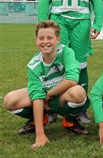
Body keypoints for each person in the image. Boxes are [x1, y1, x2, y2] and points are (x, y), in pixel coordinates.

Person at [38, 0, 103, 124]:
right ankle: (51, 106)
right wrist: (43, 23)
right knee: (55, 62)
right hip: (58, 21)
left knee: (80, 64)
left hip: (81, 22)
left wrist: (98, 22)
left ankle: (80, 108)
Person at [3, 21, 89, 149]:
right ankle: (42, 119)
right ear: (36, 40)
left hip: (61, 97)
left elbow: (72, 79)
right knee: (9, 101)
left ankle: (69, 121)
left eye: (50, 38)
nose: (45, 41)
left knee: (79, 92)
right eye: (41, 38)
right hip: (43, 99)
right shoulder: (34, 65)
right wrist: (40, 134)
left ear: (58, 39)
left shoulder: (66, 52)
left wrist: (49, 93)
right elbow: (37, 96)